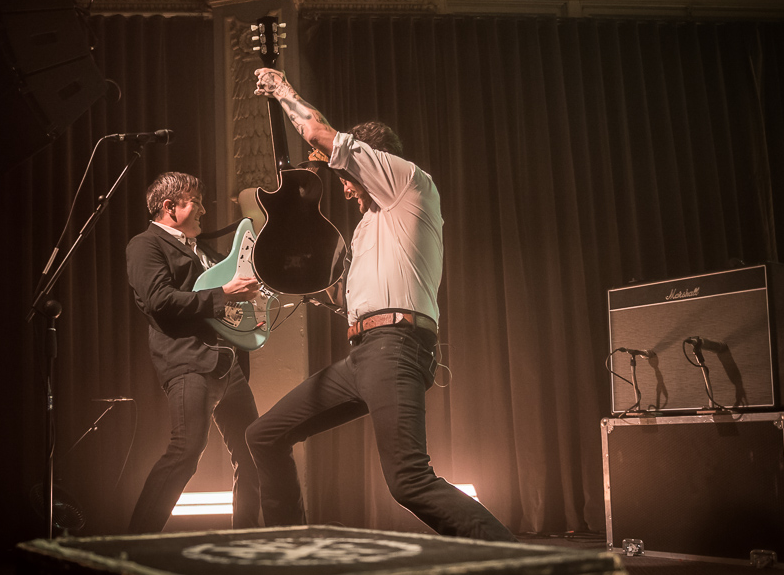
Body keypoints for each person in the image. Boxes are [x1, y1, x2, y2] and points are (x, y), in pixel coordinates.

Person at [245, 69, 518, 542]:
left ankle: (528, 567)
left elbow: (318, 132)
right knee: (263, 436)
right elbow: (348, 294)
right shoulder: (371, 223)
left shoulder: (407, 184)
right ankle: (293, 558)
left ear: (370, 162)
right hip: (365, 354)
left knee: (409, 480)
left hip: (395, 348)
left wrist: (282, 91)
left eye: (344, 177)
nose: (343, 188)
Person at [125, 172, 263, 533]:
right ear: (170, 207)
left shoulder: (204, 249)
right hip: (188, 363)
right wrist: (224, 296)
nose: (204, 208)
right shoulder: (145, 244)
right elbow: (158, 300)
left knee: (254, 456)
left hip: (227, 365)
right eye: (195, 201)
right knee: (185, 452)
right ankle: (133, 549)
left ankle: (244, 548)